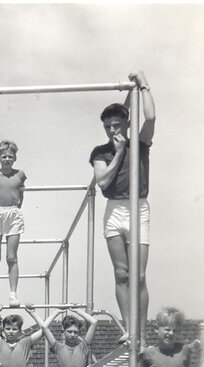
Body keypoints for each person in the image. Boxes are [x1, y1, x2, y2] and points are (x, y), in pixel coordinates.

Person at [90, 72, 155, 344]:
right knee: (122, 273)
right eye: (108, 127)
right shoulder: (100, 152)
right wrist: (117, 153)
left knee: (138, 275)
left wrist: (143, 84)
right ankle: (128, 330)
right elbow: (102, 181)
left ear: (127, 123)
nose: (113, 131)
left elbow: (150, 117)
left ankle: (140, 332)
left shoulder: (139, 145)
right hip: (114, 210)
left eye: (117, 125)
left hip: (138, 209)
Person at [0, 141, 28, 307]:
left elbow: (21, 195)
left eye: (10, 156)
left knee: (12, 257)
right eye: (4, 156)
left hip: (13, 213)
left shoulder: (20, 175)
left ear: (15, 158)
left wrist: (14, 210)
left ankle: (12, 296)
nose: (7, 159)